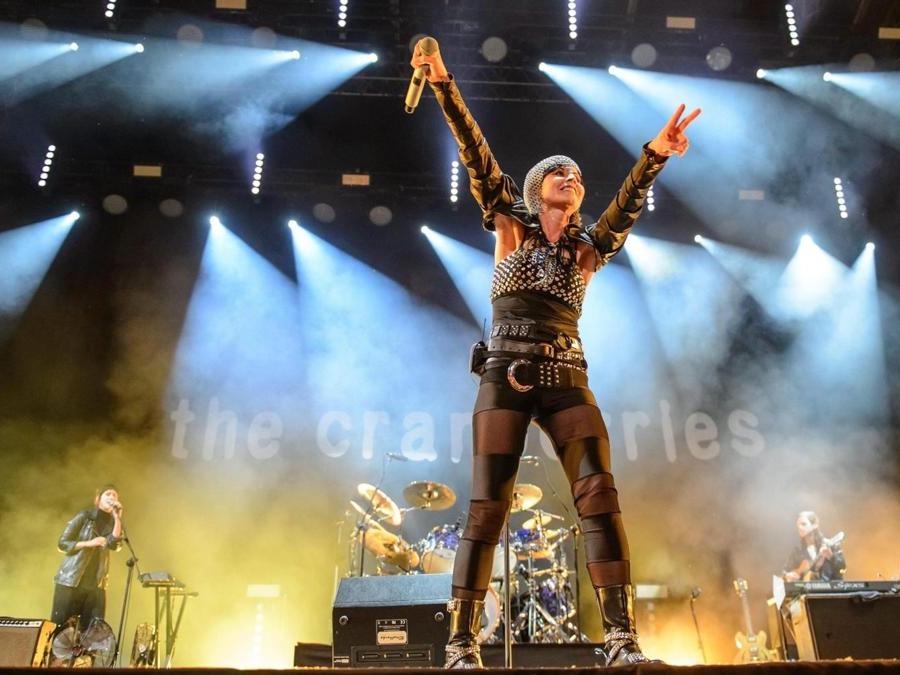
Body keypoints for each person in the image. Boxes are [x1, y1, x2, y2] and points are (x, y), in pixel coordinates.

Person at [411, 40, 700, 668]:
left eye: (579, 176)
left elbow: (625, 206)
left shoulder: (589, 248)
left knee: (598, 495)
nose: (574, 180)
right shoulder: (508, 222)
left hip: (567, 373)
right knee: (488, 506)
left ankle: (621, 639)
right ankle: (462, 645)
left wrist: (653, 156)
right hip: (504, 374)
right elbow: (476, 149)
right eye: (562, 174)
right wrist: (442, 82)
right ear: (539, 188)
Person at [51, 485, 124, 631]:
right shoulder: (85, 516)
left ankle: (84, 655)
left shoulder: (113, 522)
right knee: (62, 628)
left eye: (115, 495)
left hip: (96, 583)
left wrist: (117, 518)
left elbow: (115, 544)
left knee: (91, 631)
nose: (112, 497)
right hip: (71, 580)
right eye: (108, 494)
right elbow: (62, 543)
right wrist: (89, 543)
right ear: (98, 499)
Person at [782, 511, 845, 582]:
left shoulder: (829, 545)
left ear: (815, 525)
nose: (800, 527)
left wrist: (831, 557)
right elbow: (785, 571)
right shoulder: (797, 551)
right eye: (798, 525)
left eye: (803, 524)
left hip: (829, 590)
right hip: (805, 591)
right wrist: (787, 575)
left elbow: (843, 570)